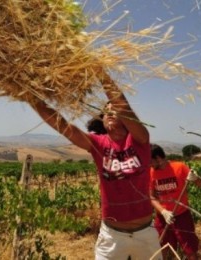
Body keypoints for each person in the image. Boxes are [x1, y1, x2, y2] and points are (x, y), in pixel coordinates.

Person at [31, 72, 162, 260]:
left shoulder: (140, 139)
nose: (109, 111)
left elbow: (123, 106)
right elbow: (64, 126)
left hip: (145, 234)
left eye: (113, 108)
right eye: (105, 110)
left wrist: (102, 75)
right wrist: (32, 99)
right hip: (112, 236)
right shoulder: (98, 144)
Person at [149, 144, 201, 260]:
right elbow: (151, 197)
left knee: (190, 250)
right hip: (162, 218)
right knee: (162, 250)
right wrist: (163, 211)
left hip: (182, 216)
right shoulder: (151, 173)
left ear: (158, 158)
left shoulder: (180, 167)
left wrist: (196, 178)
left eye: (150, 161)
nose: (149, 165)